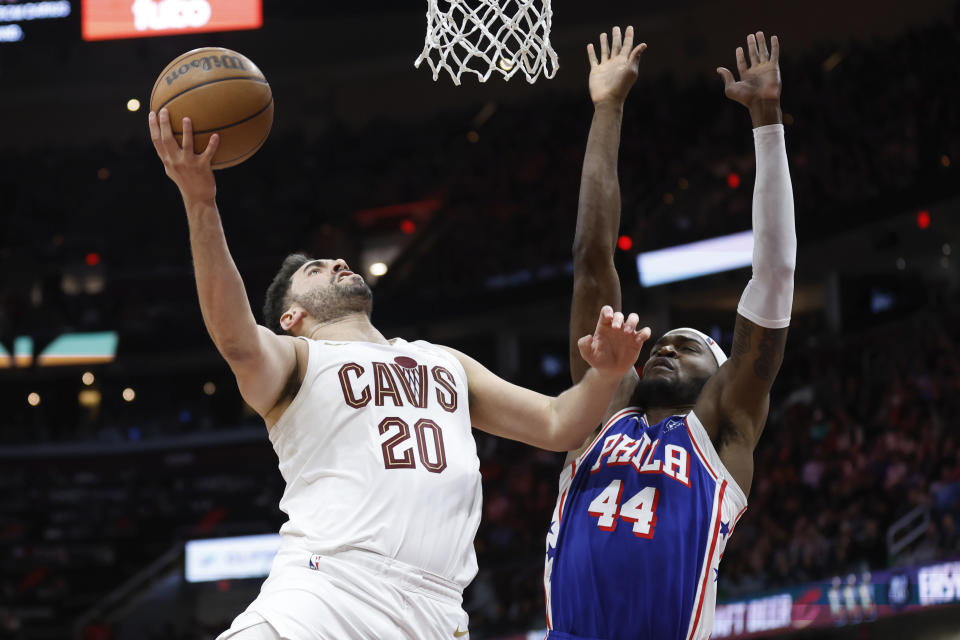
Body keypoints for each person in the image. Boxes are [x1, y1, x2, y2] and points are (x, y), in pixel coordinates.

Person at [147, 108, 651, 640]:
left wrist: (606, 375)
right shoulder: (295, 360)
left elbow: (556, 425)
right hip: (325, 593)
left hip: (434, 613)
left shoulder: (443, 361)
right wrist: (200, 200)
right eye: (314, 271)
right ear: (292, 318)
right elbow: (234, 336)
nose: (338, 263)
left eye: (334, 261)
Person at [543, 27, 796, 639]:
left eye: (686, 346)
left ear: (722, 376)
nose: (664, 347)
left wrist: (766, 121)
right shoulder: (599, 412)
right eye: (662, 341)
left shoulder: (721, 431)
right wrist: (607, 109)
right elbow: (592, 256)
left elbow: (774, 274)